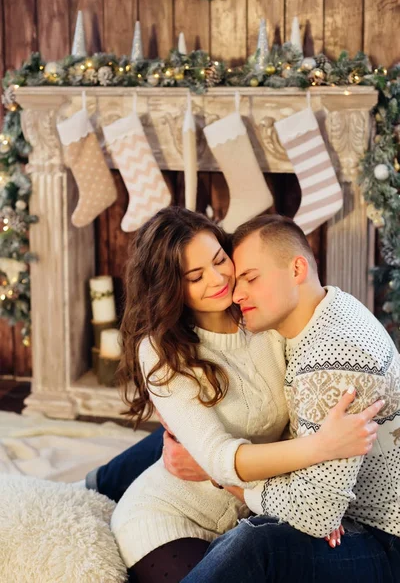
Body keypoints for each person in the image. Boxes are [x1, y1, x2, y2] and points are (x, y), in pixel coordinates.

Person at [96, 206, 381, 583]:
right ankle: (94, 486)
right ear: (171, 288)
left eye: (219, 260)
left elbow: (301, 416)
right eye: (195, 277)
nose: (218, 280)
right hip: (168, 519)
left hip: (253, 517)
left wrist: (315, 506)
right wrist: (322, 448)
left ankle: (96, 481)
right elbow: (218, 459)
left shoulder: (264, 316)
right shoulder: (163, 351)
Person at [178, 214, 400, 583]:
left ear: (297, 268)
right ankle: (99, 480)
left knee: (253, 544)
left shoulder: (335, 355)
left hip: (385, 540)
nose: (235, 294)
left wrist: (221, 476)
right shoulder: (324, 311)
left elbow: (315, 514)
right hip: (355, 516)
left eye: (250, 278)